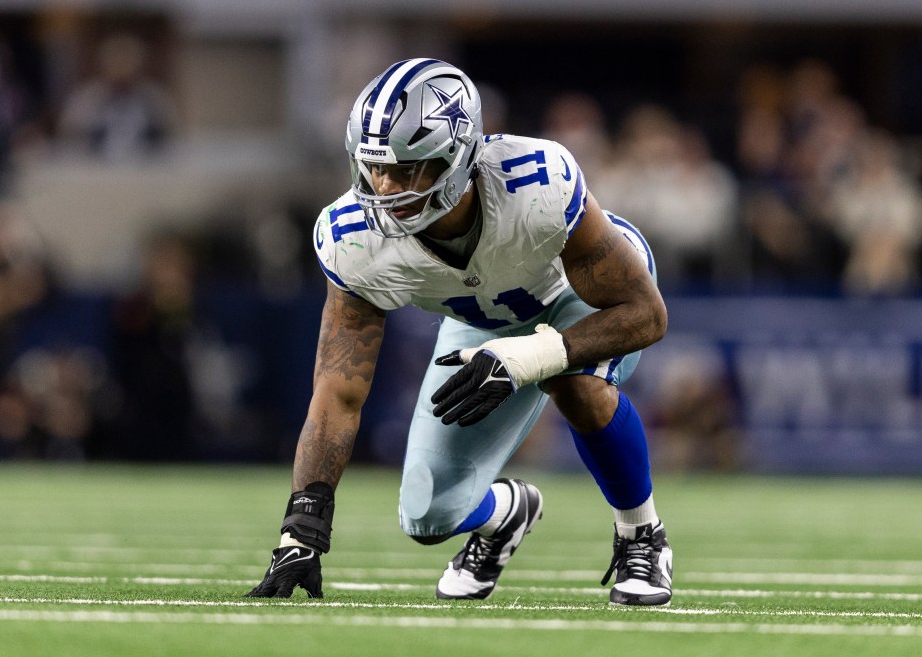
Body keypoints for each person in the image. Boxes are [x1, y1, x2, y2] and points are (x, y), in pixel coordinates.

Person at [248, 59, 673, 606]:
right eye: (375, 168)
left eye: (407, 170)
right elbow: (338, 391)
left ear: (458, 158)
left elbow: (645, 313)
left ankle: (643, 536)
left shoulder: (536, 182)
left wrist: (530, 357)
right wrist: (303, 524)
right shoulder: (352, 237)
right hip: (480, 321)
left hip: (575, 297)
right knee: (427, 515)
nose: (385, 187)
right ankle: (506, 514)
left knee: (573, 382)